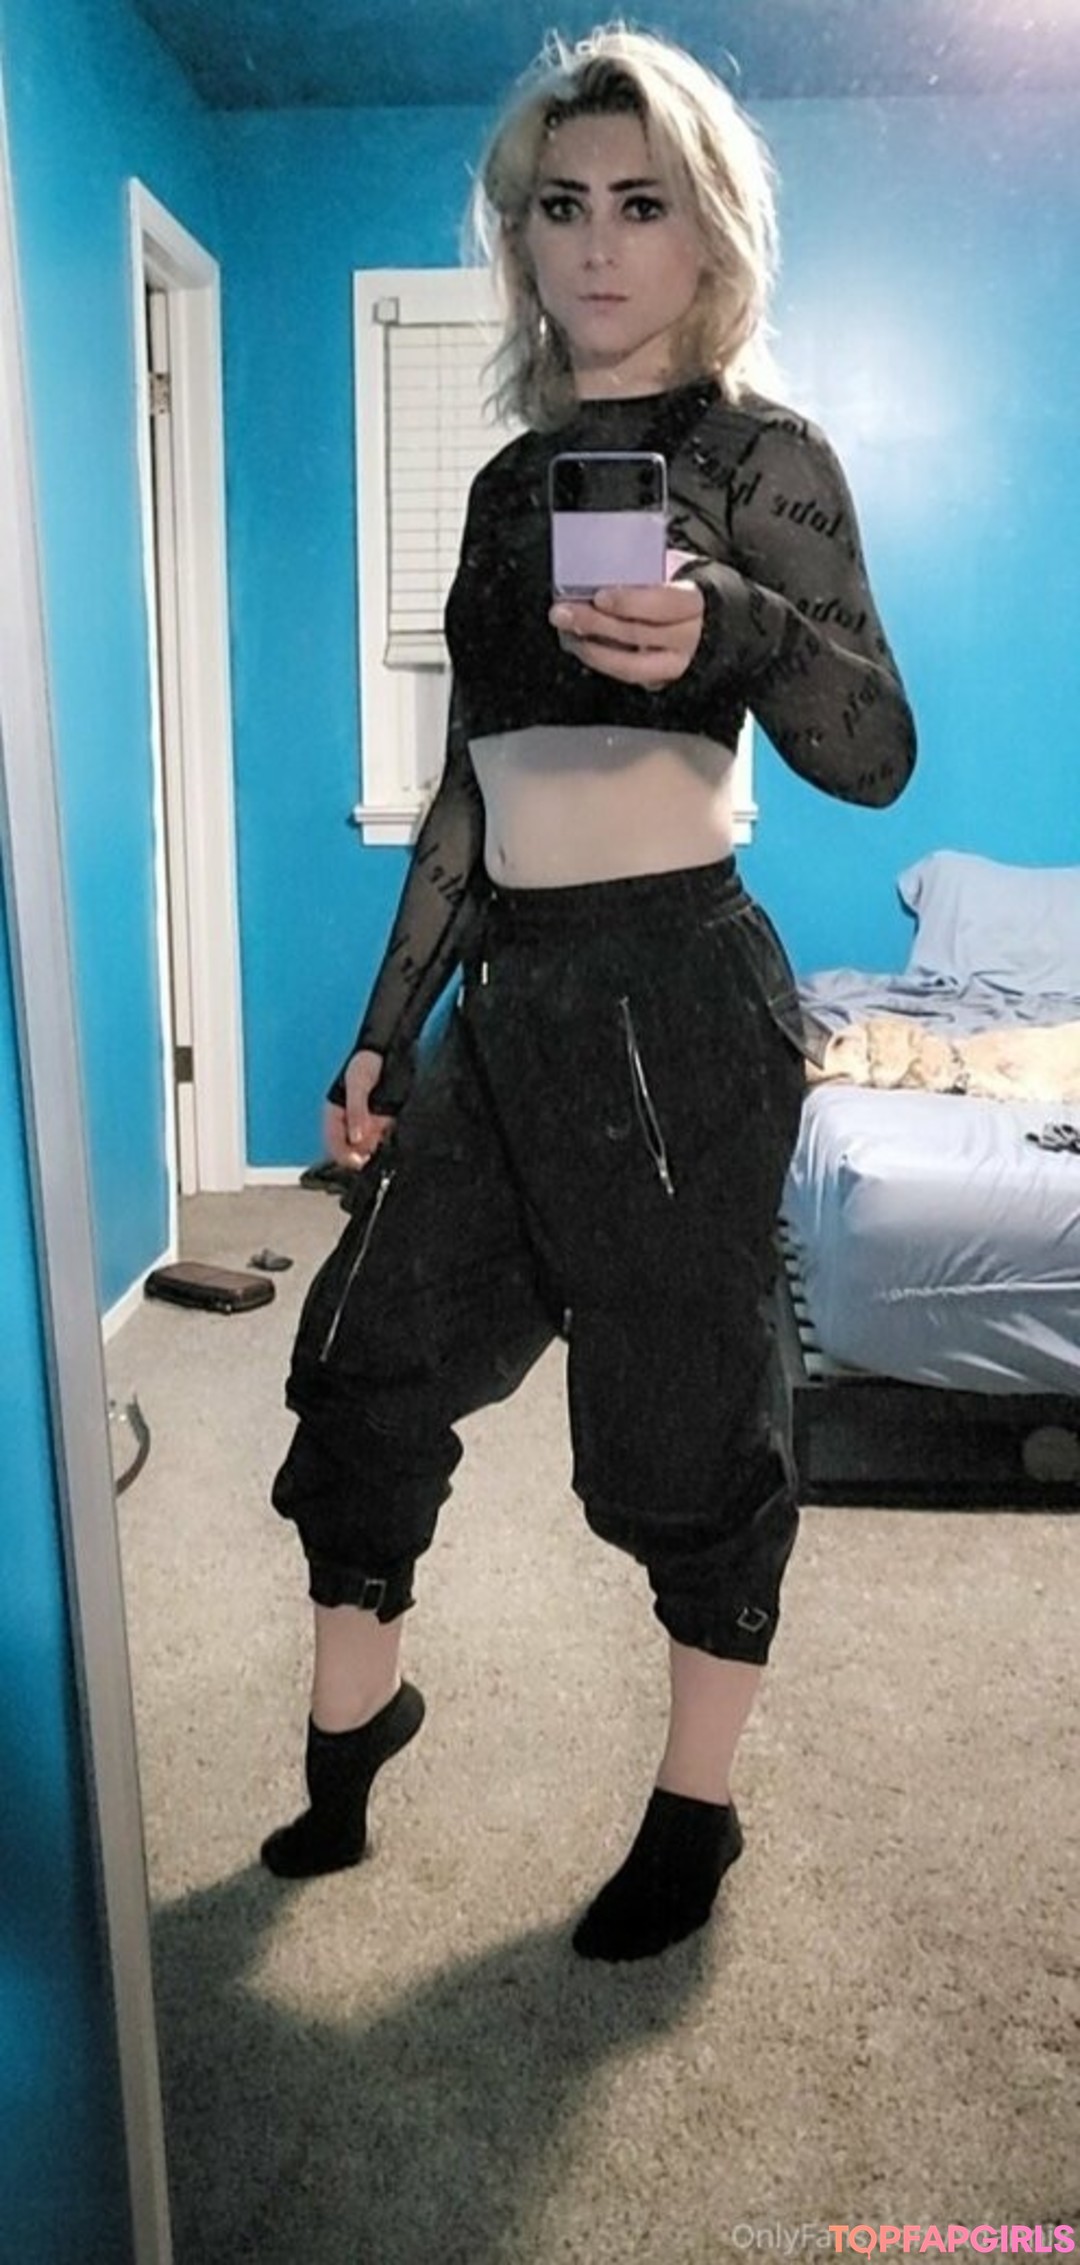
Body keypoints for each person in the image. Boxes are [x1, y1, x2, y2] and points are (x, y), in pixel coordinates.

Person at [260, 23, 916, 1962]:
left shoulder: (765, 457)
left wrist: (733, 623)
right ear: (523, 237)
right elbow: (470, 788)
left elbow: (873, 748)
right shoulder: (496, 490)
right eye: (564, 206)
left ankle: (696, 1809)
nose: (602, 244)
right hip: (513, 995)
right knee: (365, 1356)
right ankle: (354, 1718)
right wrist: (386, 1028)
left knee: (684, 1421)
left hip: (679, 993)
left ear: (708, 234)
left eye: (644, 204)